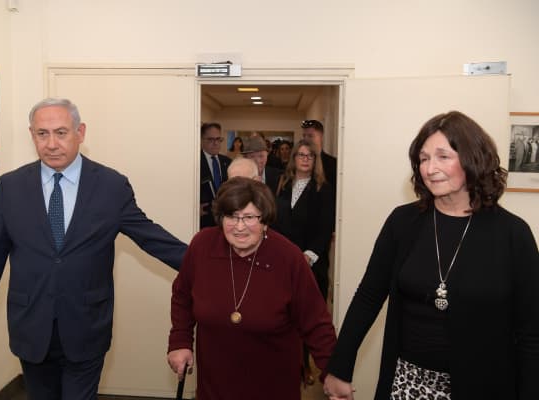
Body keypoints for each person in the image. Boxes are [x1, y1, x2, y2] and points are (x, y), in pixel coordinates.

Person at [0, 98, 188, 400]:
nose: (51, 144)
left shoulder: (111, 186)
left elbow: (151, 237)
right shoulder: (11, 187)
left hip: (86, 324)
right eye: (42, 134)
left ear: (81, 132)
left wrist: (210, 261)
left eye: (61, 133)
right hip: (31, 325)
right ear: (32, 135)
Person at [324, 111, 539, 400]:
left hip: (485, 387)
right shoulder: (403, 222)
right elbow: (368, 296)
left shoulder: (513, 234)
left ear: (473, 159)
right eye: (423, 159)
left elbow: (531, 333)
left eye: (443, 156)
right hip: (406, 386)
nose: (430, 168)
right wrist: (340, 366)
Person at [167, 177, 337, 400]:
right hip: (215, 386)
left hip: (274, 388)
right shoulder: (202, 247)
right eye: (231, 216)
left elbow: (316, 323)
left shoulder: (289, 258)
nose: (239, 227)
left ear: (265, 220)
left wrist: (333, 373)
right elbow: (182, 296)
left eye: (249, 217)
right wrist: (180, 341)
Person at [274, 138, 334, 385]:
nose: (306, 159)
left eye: (310, 155)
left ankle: (307, 364)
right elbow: (276, 220)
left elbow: (325, 227)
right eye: (301, 154)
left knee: (308, 316)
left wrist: (309, 255)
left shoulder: (323, 188)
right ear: (294, 158)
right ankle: (291, 362)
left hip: (311, 262)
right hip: (283, 259)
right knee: (284, 315)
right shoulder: (283, 183)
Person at [200, 122, 231, 229]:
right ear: (202, 140)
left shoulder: (227, 162)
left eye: (218, 139)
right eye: (211, 139)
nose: (216, 143)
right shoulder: (196, 163)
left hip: (225, 221)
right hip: (203, 221)